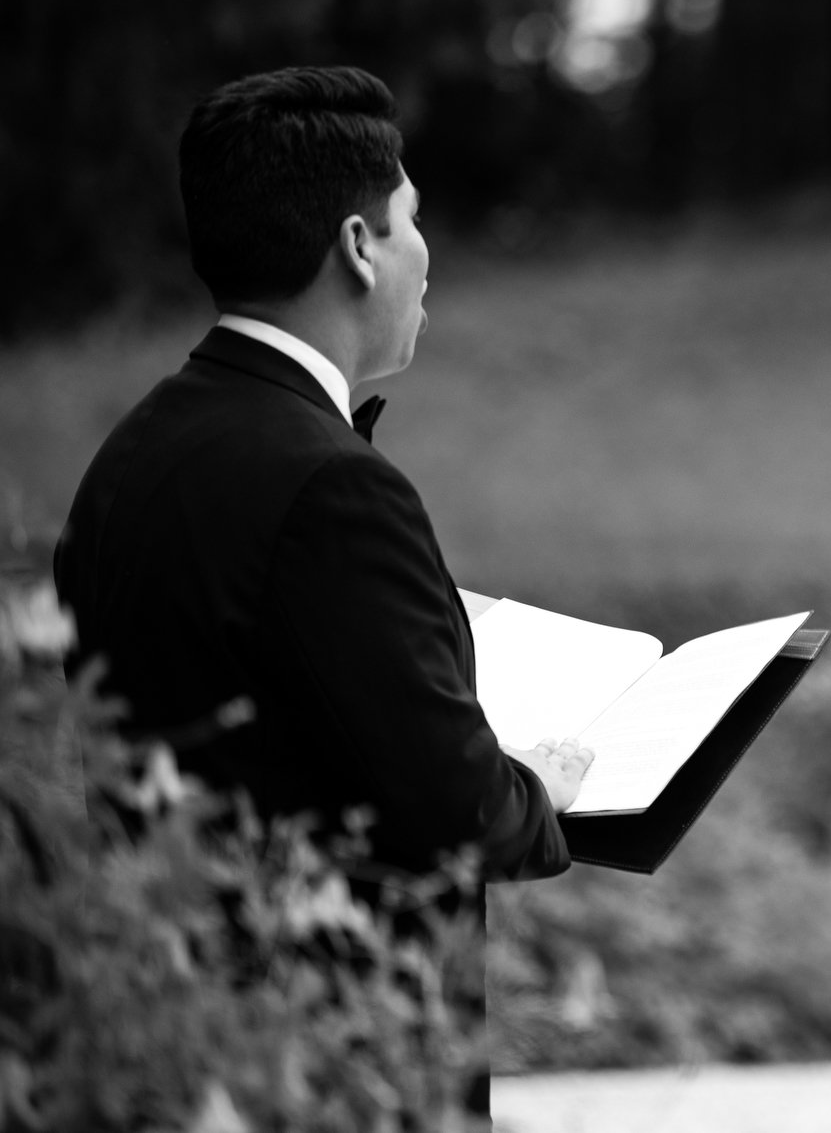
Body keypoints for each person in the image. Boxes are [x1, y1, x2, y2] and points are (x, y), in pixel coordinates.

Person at [55, 66, 590, 893]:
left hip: (156, 976)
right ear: (357, 248)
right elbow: (464, 817)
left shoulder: (132, 447)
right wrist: (537, 788)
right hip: (319, 1000)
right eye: (411, 219)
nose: (426, 252)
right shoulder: (335, 491)